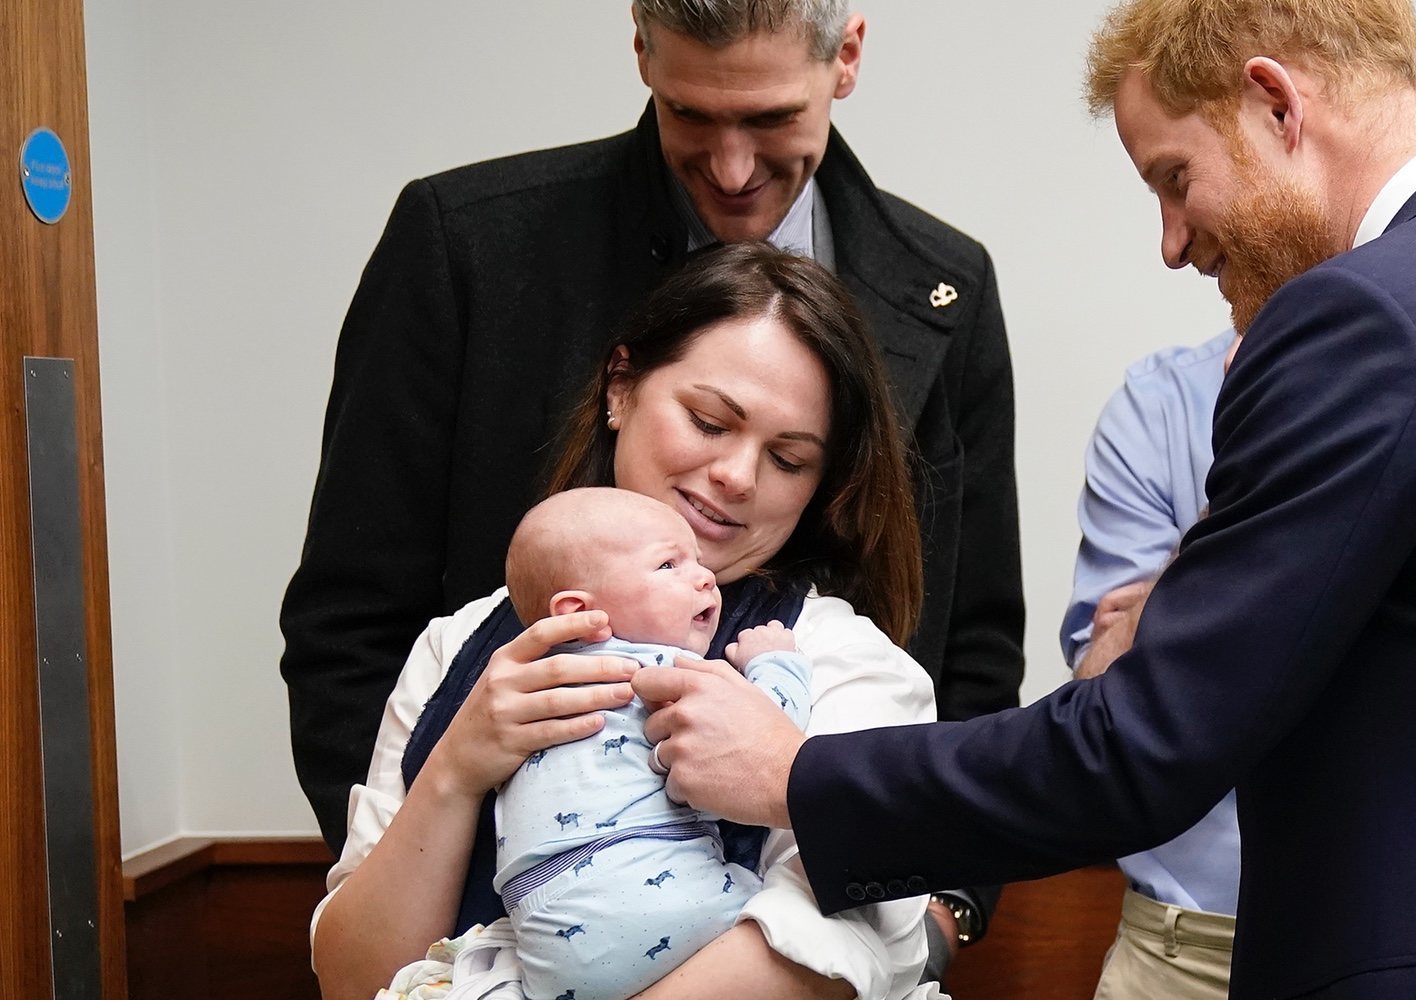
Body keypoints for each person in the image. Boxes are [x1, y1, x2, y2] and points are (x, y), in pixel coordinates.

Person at [642, 1, 1416, 998]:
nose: (1171, 241)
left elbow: (1143, 750)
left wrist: (796, 771)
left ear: (1274, 103)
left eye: (1172, 177)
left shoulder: (1360, 320)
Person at [279, 0, 1023, 965]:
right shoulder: (471, 245)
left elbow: (976, 636)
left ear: (845, 59)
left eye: (767, 121)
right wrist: (441, 852)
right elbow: (349, 619)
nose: (731, 167)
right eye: (692, 116)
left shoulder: (940, 289)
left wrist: (937, 909)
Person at [311, 243, 941, 1000]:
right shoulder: (459, 646)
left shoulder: (839, 661)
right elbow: (352, 980)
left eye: (788, 459)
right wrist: (455, 769)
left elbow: (834, 952)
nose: (737, 477)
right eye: (709, 422)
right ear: (620, 386)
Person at [1063, 23, 1416, 996]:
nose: (1170, 246)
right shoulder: (1159, 404)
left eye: (1175, 180)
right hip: (1179, 948)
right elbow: (1110, 694)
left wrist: (1181, 598)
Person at [495, 487, 813, 999]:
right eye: (668, 565)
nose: (704, 576)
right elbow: (767, 739)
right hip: (655, 901)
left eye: (696, 560)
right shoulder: (650, 672)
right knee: (820, 914)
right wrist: (776, 662)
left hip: (545, 945)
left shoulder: (528, 695)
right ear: (580, 612)